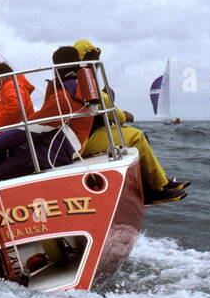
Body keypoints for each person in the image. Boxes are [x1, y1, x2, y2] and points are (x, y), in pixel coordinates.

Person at [73, 39, 189, 204]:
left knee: (129, 134)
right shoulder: (84, 82)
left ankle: (162, 181)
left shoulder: (63, 81)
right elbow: (109, 107)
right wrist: (125, 116)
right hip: (82, 142)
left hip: (80, 137)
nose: (96, 66)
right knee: (136, 136)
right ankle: (156, 190)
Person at [0, 47, 90, 181]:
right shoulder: (80, 89)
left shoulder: (64, 96)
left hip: (60, 149)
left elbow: (38, 124)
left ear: (57, 66)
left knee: (5, 169)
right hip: (63, 143)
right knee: (16, 152)